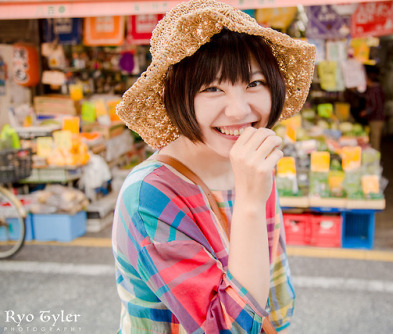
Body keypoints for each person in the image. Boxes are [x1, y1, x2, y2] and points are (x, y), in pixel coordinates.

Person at [111, 1, 316, 333]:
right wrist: (250, 203)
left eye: (254, 83)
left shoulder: (252, 162)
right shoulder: (149, 194)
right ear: (176, 96)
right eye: (212, 88)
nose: (238, 111)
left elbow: (272, 298)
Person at [361, 65, 385, 152]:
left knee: (375, 143)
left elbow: (375, 105)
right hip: (375, 119)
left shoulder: (375, 90)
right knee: (373, 140)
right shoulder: (375, 89)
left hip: (376, 120)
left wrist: (366, 112)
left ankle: (375, 161)